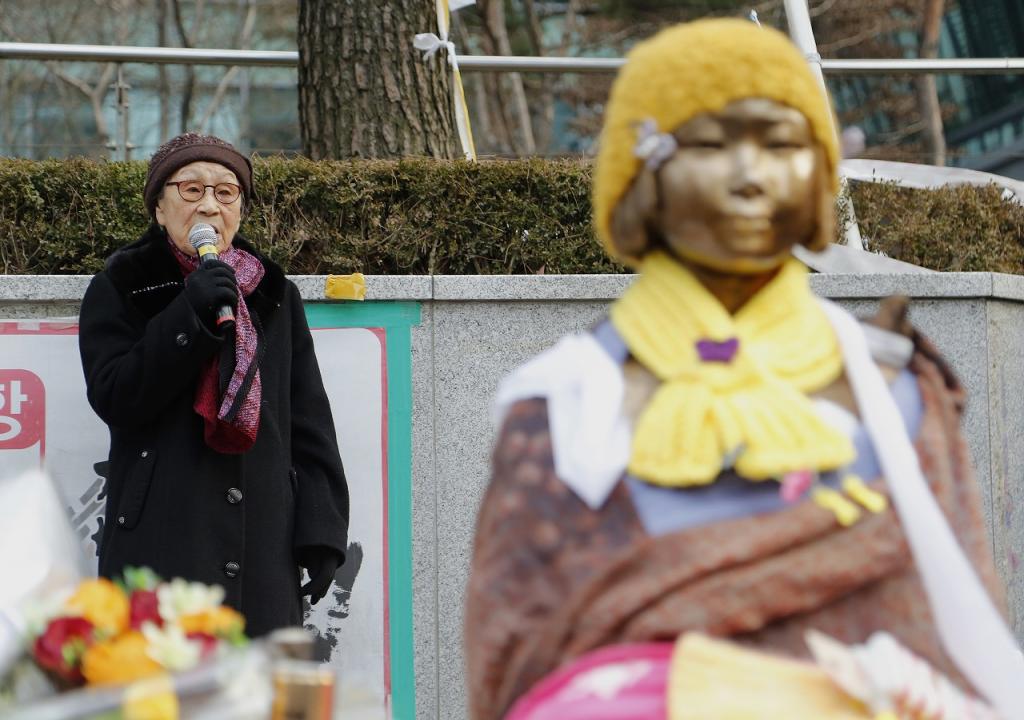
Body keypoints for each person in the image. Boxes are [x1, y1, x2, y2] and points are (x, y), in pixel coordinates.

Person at [464, 19, 1022, 719]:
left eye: (780, 144)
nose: (750, 178)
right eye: (709, 145)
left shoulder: (897, 393)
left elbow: (952, 638)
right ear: (642, 176)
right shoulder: (568, 404)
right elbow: (516, 663)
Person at [78, 132, 349, 637]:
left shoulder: (273, 292)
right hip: (160, 539)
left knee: (256, 682)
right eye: (191, 189)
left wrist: (321, 530)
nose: (209, 205)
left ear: (240, 210)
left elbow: (308, 419)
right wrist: (189, 312)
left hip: (262, 544)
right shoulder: (122, 285)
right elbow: (116, 395)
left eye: (226, 192)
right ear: (159, 208)